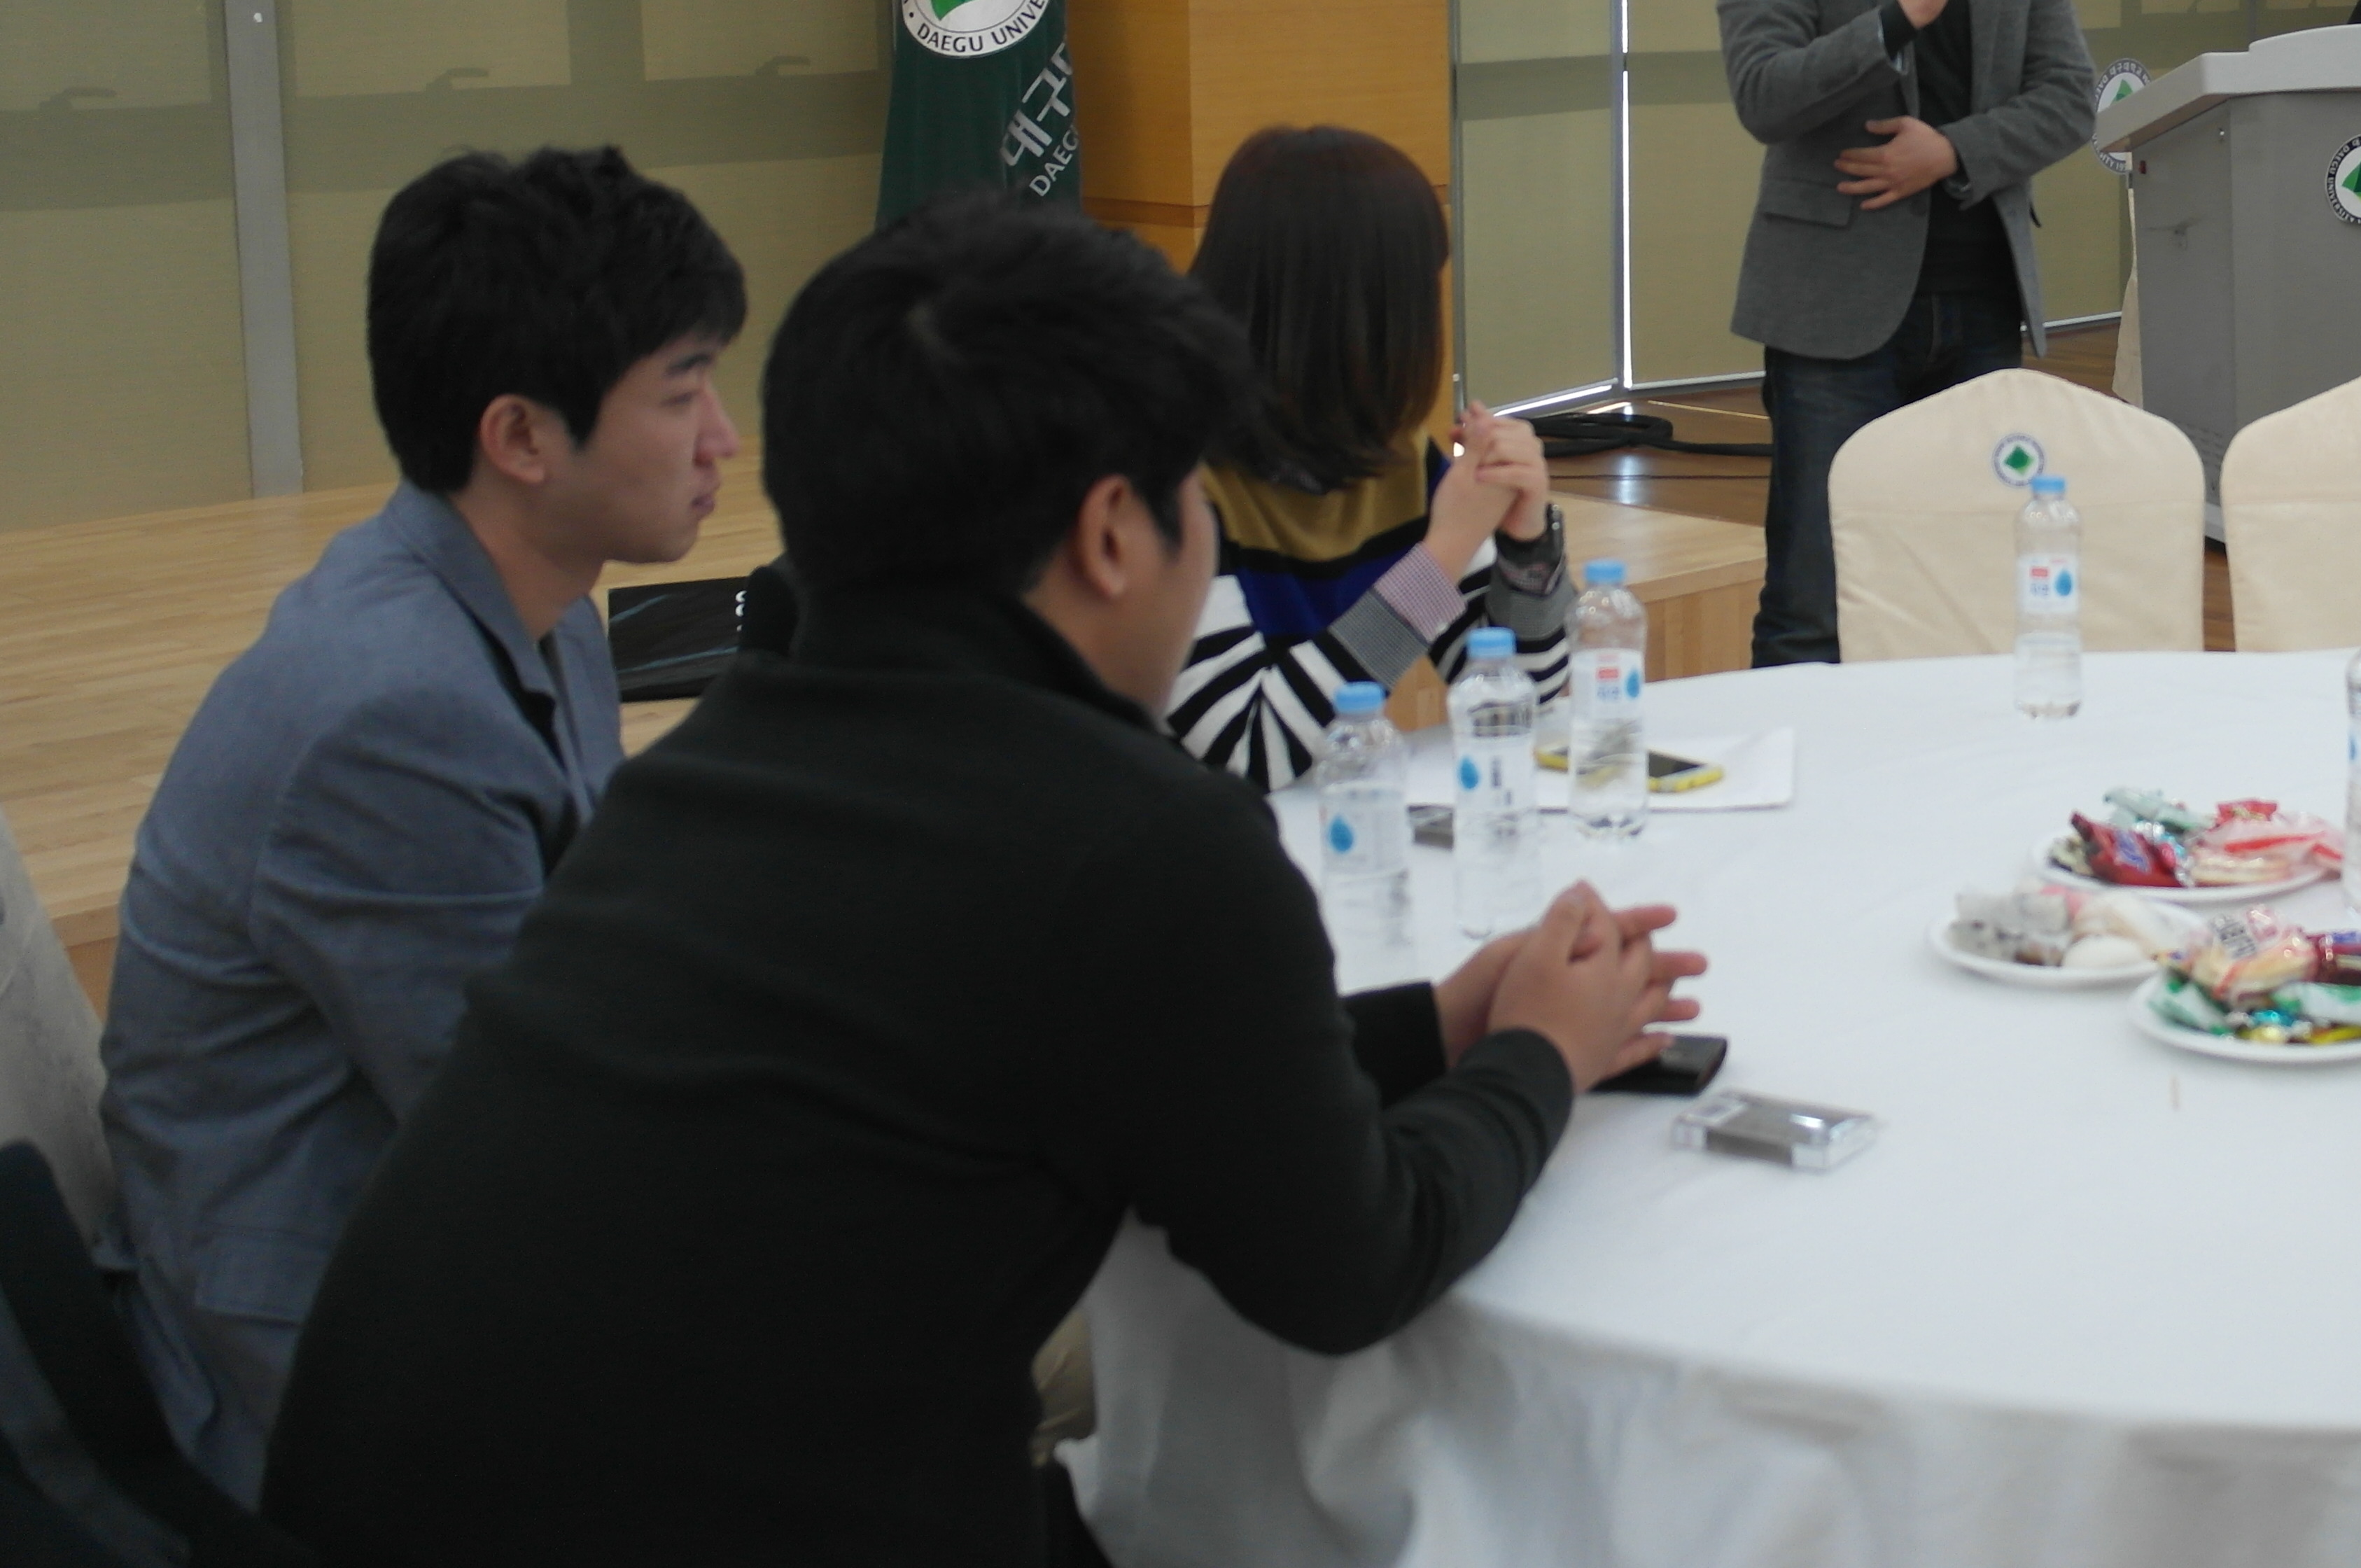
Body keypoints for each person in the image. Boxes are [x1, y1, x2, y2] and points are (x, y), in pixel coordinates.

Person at [263, 195, 1702, 1568]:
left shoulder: (715, 765)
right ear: (1111, 535)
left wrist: (1435, 1027)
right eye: (1191, 497)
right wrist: (1539, 1056)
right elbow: (1352, 1265)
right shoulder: (1142, 840)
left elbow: (1109, 1064)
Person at [94, 148, 743, 1497]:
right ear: (520, 437)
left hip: (455, 1265)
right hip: (341, 1372)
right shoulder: (397, 713)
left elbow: (604, 977)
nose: (723, 439)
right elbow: (540, 1146)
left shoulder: (531, 610)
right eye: (683, 392)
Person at [1716, 0, 2096, 663]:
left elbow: (2069, 96)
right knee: (1815, 599)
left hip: (1980, 305)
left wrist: (1951, 152)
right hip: (1833, 314)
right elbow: (1763, 94)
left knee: (1967, 589)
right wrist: (1901, 14)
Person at [1165, 126, 1574, 784]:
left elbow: (1517, 700)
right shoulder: (1166, 472)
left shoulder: (1388, 454)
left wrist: (1526, 541)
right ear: (1361, 313)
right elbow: (1249, 750)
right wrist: (1444, 551)